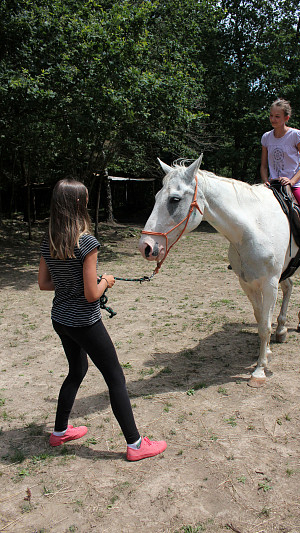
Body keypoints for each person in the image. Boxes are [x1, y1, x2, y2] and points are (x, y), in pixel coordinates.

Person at [38, 178, 167, 461]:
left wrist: (71, 282)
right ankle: (135, 445)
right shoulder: (86, 242)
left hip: (61, 318)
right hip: (84, 322)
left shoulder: (49, 238)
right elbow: (90, 295)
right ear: (77, 204)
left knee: (77, 370)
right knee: (116, 378)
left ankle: (59, 432)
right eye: (84, 198)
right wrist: (106, 281)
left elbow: (45, 284)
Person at [260, 98, 300, 281]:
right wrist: (265, 181)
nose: (273, 120)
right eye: (271, 116)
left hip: (295, 183)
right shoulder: (266, 137)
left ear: (286, 118)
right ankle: (245, 256)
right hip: (273, 185)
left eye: (277, 116)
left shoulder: (296, 135)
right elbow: (263, 166)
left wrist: (291, 180)